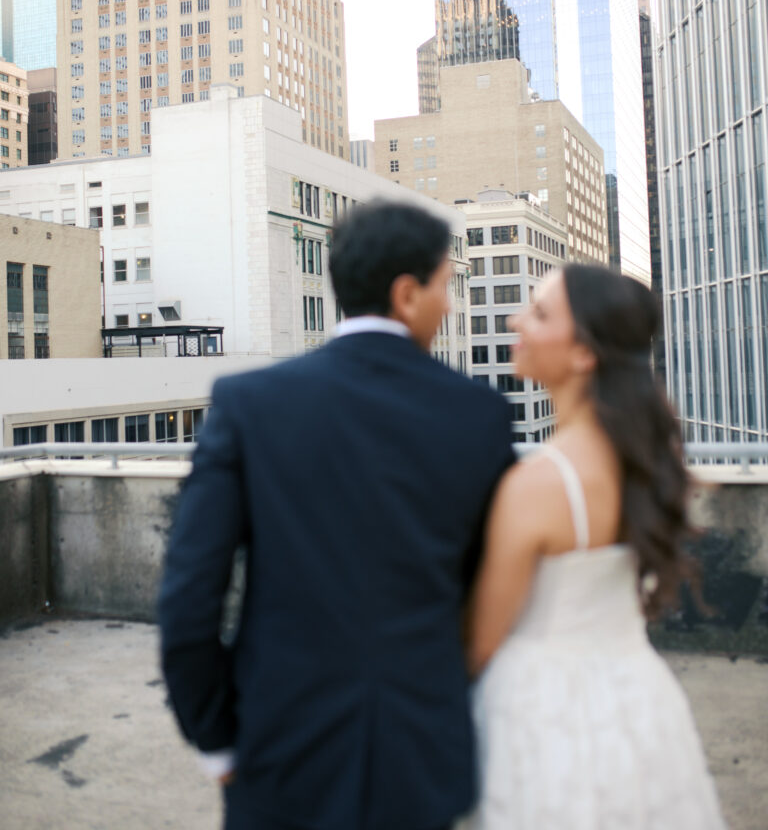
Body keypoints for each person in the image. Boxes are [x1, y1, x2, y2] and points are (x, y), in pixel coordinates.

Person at [158, 199, 514, 830]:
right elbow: (493, 591)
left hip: (279, 741)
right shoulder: (477, 414)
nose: (449, 306)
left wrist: (214, 739)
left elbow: (188, 601)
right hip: (423, 748)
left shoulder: (249, 404)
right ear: (407, 294)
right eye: (445, 286)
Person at [460, 264, 725, 830]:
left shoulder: (539, 483)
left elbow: (480, 641)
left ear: (584, 355)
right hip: (638, 702)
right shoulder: (645, 459)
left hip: (543, 712)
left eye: (539, 312)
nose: (515, 320)